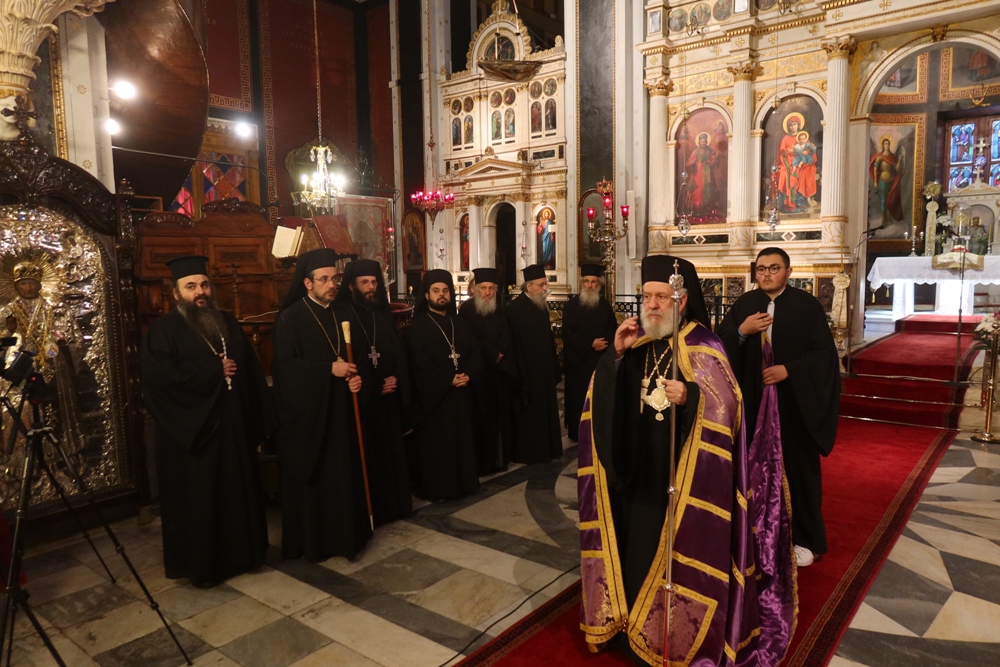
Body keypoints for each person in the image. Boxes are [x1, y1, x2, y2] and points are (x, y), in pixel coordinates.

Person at [579, 255, 793, 666]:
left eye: (662, 296)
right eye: (647, 296)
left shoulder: (704, 344)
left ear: (682, 299)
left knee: (675, 553)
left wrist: (691, 397)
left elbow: (729, 407)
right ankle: (628, 621)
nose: (652, 304)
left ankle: (668, 634)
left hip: (682, 475)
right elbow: (604, 402)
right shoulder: (636, 339)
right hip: (637, 470)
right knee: (633, 546)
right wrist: (617, 359)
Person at [141, 255, 272, 587]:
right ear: (176, 293)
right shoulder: (163, 331)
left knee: (236, 494)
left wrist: (257, 418)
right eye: (191, 286)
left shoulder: (226, 322)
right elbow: (160, 382)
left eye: (204, 285)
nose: (200, 292)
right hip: (193, 435)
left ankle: (245, 555)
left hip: (233, 427)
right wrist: (213, 371)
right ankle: (204, 566)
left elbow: (250, 372)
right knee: (200, 502)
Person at [716, 247, 840, 568]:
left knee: (798, 471)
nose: (767, 274)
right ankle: (755, 534)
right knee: (752, 469)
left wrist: (789, 371)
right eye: (761, 269)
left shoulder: (806, 306)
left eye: (774, 268)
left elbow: (823, 356)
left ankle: (806, 540)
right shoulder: (745, 304)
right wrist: (741, 332)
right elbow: (718, 345)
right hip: (753, 401)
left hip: (793, 403)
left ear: (788, 271)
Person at [272, 248, 372, 561]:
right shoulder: (290, 318)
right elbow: (286, 368)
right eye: (324, 279)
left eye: (335, 278)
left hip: (342, 410)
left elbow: (357, 358)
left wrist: (356, 379)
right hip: (311, 419)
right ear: (307, 283)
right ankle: (319, 542)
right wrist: (329, 369)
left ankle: (348, 538)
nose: (332, 284)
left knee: (344, 474)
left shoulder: (342, 312)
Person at [334, 258, 412, 525]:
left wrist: (396, 376)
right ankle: (375, 510)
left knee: (392, 453)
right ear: (352, 286)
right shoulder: (342, 314)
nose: (370, 287)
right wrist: (374, 384)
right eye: (364, 282)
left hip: (389, 395)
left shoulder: (382, 313)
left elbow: (397, 351)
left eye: (374, 282)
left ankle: (396, 506)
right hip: (364, 399)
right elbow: (347, 356)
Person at [404, 269, 482, 500]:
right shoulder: (417, 328)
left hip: (461, 396)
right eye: (436, 291)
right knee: (440, 446)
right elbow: (420, 363)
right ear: (427, 295)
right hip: (436, 401)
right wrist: (448, 379)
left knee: (462, 442)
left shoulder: (460, 323)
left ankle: (465, 484)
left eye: (445, 290)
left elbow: (476, 352)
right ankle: (439, 489)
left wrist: (468, 374)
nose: (441, 295)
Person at [458, 268, 516, 475]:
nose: (487, 292)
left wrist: (500, 353)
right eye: (483, 288)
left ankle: (499, 460)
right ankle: (482, 464)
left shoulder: (498, 309)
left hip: (498, 373)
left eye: (491, 288)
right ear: (475, 289)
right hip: (478, 373)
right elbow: (470, 339)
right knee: (480, 420)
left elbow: (507, 334)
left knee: (498, 418)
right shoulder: (466, 310)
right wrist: (492, 354)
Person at [506, 264, 562, 464]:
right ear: (529, 287)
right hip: (527, 372)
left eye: (545, 284)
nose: (544, 288)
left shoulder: (540, 305)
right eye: (541, 284)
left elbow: (547, 340)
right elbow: (513, 344)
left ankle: (548, 450)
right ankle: (530, 453)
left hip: (544, 370)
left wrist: (553, 368)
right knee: (530, 415)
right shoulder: (514, 309)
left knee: (545, 412)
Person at [560, 264, 616, 441]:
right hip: (579, 363)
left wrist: (604, 343)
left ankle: (597, 431)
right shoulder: (572, 305)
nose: (590, 285)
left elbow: (612, 329)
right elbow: (568, 332)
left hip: (600, 361)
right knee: (579, 398)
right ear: (582, 283)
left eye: (593, 282)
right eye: (586, 281)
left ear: (599, 284)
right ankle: (578, 432)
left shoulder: (604, 305)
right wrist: (590, 343)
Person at [870, 137, 904, 227]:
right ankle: (883, 219)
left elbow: (897, 169)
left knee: (890, 201)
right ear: (883, 145)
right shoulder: (880, 157)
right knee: (883, 200)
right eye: (885, 144)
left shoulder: (892, 157)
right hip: (883, 181)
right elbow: (875, 169)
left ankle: (888, 219)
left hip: (891, 180)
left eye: (888, 144)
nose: (887, 145)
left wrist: (899, 160)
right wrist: (875, 181)